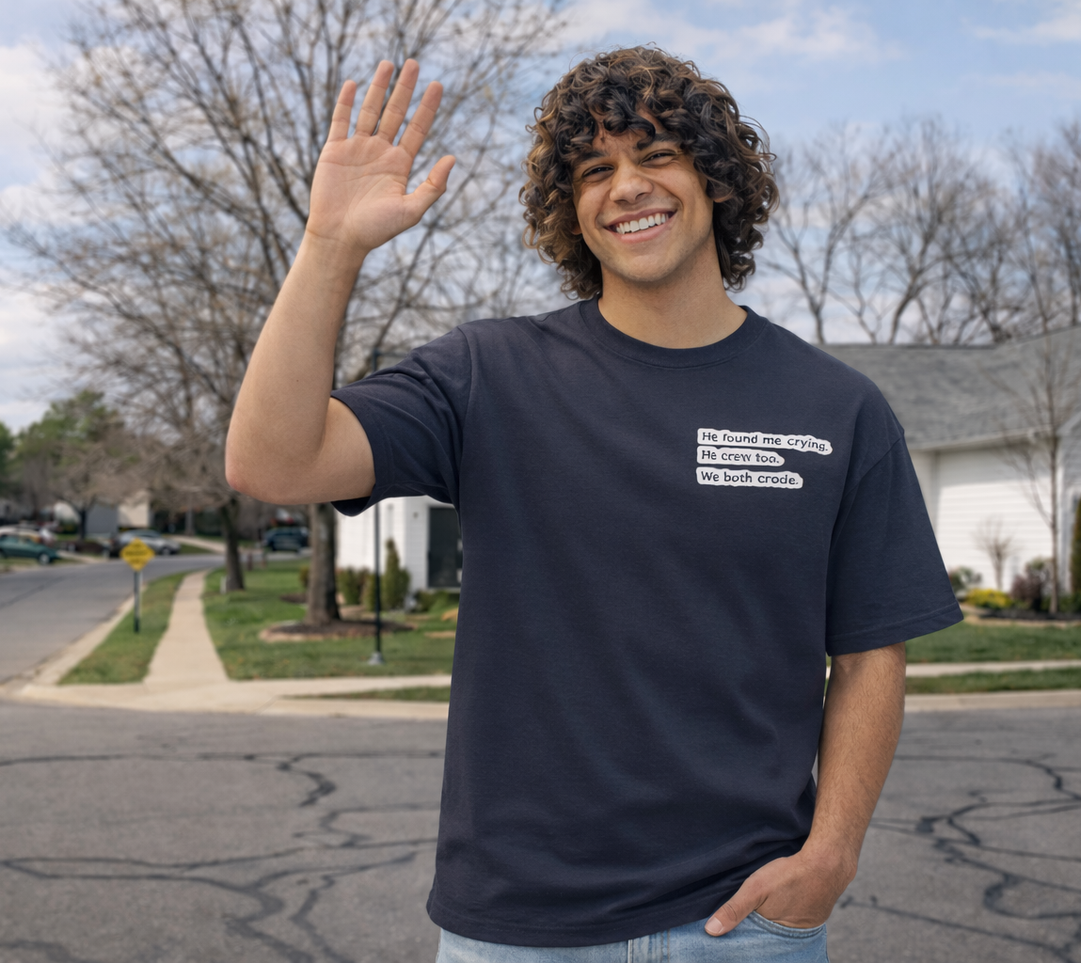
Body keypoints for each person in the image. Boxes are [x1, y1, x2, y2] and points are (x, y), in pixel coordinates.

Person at [228, 47, 961, 961]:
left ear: (716, 180)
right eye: (593, 169)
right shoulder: (487, 375)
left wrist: (832, 854)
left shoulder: (835, 407)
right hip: (520, 926)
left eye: (656, 155)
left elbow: (867, 654)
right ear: (567, 210)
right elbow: (272, 463)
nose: (626, 186)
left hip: (743, 922)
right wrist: (330, 246)